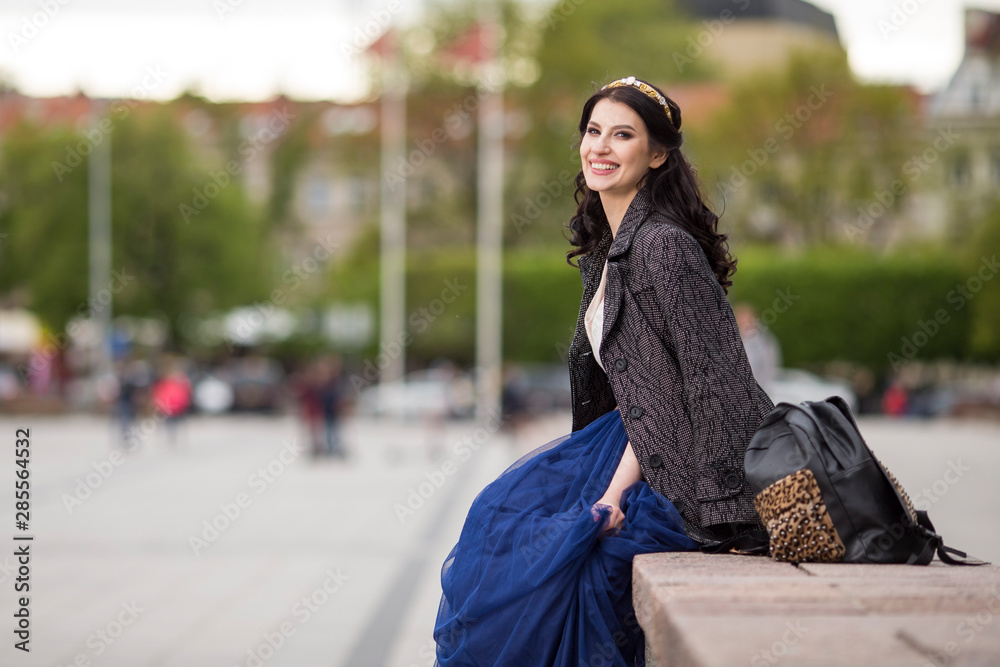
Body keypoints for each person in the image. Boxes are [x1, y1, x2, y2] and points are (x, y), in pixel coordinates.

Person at [433, 77, 774, 666]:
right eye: (594, 132)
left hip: (680, 467)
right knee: (502, 522)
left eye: (623, 135)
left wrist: (726, 514)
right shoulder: (606, 256)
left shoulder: (663, 246)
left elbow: (714, 380)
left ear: (658, 154)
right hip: (622, 448)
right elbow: (636, 393)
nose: (602, 147)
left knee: (556, 573)